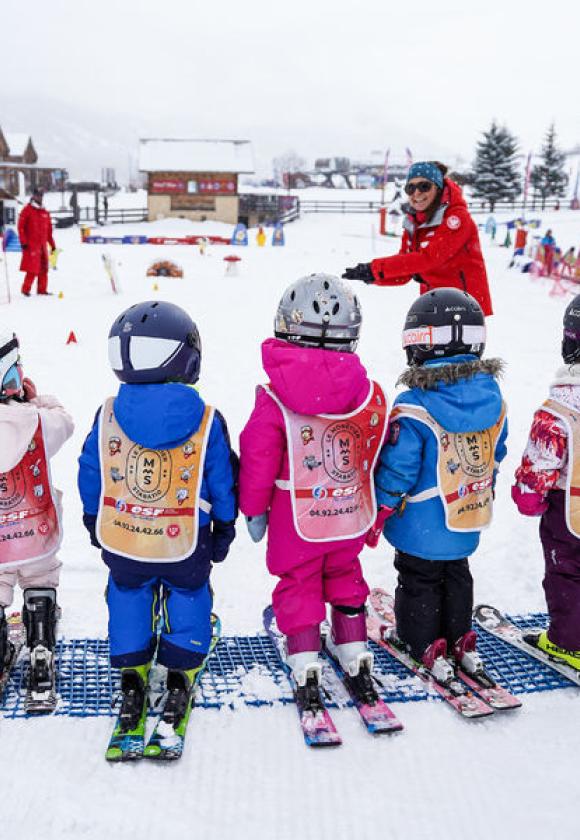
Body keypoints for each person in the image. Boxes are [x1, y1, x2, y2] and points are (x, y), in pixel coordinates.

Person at [77, 301, 237, 742]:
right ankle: (181, 671)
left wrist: (94, 517)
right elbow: (221, 481)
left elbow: (92, 470)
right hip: (183, 542)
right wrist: (224, 527)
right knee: (188, 595)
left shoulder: (108, 414)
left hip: (125, 539)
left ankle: (131, 672)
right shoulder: (206, 421)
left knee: (128, 595)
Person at [239, 274, 388, 707]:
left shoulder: (274, 397)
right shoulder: (367, 393)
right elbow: (376, 445)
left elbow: (258, 454)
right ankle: (353, 647)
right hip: (347, 511)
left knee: (299, 580)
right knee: (344, 573)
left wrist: (253, 508)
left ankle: (304, 654)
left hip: (295, 514)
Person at [370, 288, 507, 683]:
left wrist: (382, 506)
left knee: (419, 578)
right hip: (467, 512)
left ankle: (420, 640)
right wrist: (484, 484)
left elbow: (400, 468)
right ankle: (458, 635)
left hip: (422, 521)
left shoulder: (414, 405)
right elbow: (495, 450)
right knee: (457, 572)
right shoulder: (493, 399)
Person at [0, 329, 74, 694]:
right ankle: (40, 641)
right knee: (40, 578)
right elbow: (66, 421)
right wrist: (38, 399)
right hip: (36, 534)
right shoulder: (38, 421)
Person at [512, 294, 580, 669]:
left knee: (566, 574)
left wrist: (529, 499)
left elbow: (539, 467)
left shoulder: (559, 410)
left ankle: (568, 643)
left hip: (569, 514)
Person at [343, 161, 493, 316]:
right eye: (410, 187)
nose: (417, 193)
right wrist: (372, 275)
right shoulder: (414, 221)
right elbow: (405, 269)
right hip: (434, 305)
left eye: (424, 186)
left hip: (464, 307)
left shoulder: (456, 218)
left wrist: (375, 268)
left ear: (438, 187)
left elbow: (429, 258)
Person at [17, 189, 56, 297]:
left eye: (41, 195)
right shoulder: (27, 210)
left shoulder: (45, 212)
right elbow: (21, 227)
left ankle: (42, 290)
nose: (40, 197)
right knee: (32, 269)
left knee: (44, 268)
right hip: (31, 245)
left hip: (42, 246)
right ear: (33, 196)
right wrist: (23, 242)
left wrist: (52, 245)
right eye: (38, 195)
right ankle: (25, 290)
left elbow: (49, 232)